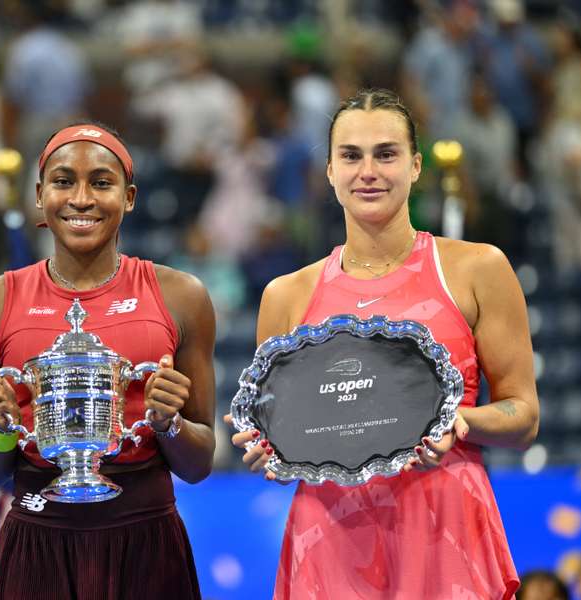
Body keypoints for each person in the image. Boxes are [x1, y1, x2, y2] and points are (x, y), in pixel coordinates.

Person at [227, 89, 539, 599]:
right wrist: (269, 452)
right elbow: (287, 440)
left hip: (443, 527)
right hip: (329, 538)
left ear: (415, 166)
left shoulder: (478, 269)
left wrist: (459, 422)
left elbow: (523, 417)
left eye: (386, 153)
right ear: (329, 171)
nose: (367, 170)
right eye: (350, 155)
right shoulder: (284, 296)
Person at [0, 122, 216, 599]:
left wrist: (168, 423)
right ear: (39, 195)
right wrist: (0, 427)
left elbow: (199, 463)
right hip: (36, 546)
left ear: (130, 196)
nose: (81, 199)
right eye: (62, 181)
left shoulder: (182, 297)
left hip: (149, 550)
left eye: (101, 182)